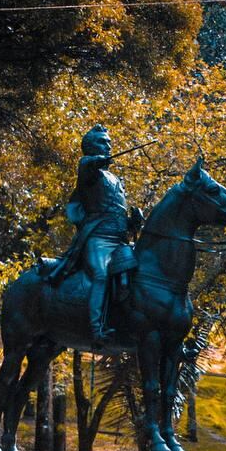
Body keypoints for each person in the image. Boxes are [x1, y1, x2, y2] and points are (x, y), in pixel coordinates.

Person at [46, 124, 142, 346]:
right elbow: (88, 166)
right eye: (102, 142)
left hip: (119, 241)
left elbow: (116, 214)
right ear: (90, 146)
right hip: (97, 240)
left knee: (135, 276)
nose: (108, 146)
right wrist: (97, 160)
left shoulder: (116, 180)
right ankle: (97, 329)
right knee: (101, 274)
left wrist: (133, 222)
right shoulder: (88, 168)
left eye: (109, 143)